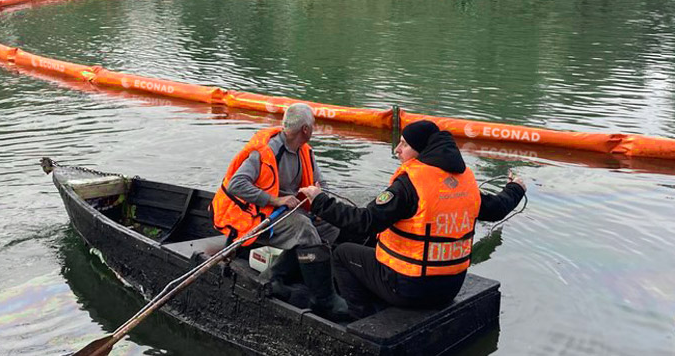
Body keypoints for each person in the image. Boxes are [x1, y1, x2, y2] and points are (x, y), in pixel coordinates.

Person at [298, 120, 527, 318]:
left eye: (404, 144)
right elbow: (497, 208)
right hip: (450, 288)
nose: (397, 149)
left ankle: (359, 317)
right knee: (372, 241)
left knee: (342, 253)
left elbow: (364, 222)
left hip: (409, 289)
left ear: (421, 151)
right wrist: (516, 188)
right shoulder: (464, 183)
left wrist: (320, 201)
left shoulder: (409, 185)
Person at [211, 103, 348, 320]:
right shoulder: (267, 151)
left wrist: (321, 201)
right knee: (304, 229)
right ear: (305, 129)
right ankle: (324, 299)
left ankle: (274, 275)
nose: (314, 129)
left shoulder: (305, 151)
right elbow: (237, 184)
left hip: (286, 212)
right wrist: (275, 199)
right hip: (256, 216)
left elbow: (321, 182)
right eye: (313, 125)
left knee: (332, 224)